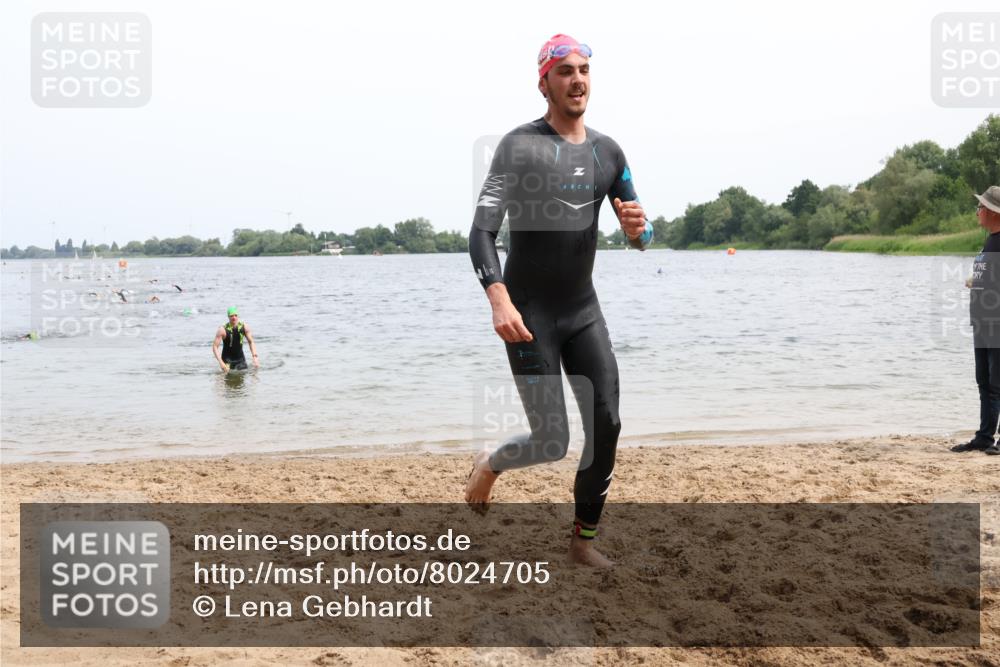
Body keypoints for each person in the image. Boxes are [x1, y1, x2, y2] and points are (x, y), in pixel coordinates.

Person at [465, 34, 654, 567]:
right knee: (551, 440)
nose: (578, 80)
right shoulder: (518, 146)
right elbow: (480, 234)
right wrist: (498, 299)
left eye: (585, 70)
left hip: (582, 310)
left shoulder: (608, 152)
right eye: (565, 71)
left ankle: (582, 544)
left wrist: (639, 231)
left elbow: (643, 235)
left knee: (608, 424)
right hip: (529, 315)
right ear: (544, 82)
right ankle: (492, 462)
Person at [953, 185, 1000, 455]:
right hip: (983, 323)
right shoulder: (991, 240)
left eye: (980, 207)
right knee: (984, 381)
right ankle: (984, 437)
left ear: (993, 211)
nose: (977, 211)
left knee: (997, 383)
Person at [213, 307, 260, 372]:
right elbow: (215, 347)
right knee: (227, 379)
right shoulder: (222, 330)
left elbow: (251, 341)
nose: (234, 317)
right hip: (227, 360)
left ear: (238, 316)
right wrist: (221, 362)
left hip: (240, 360)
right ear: (228, 317)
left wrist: (255, 356)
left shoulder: (244, 327)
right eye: (231, 316)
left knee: (249, 375)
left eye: (235, 315)